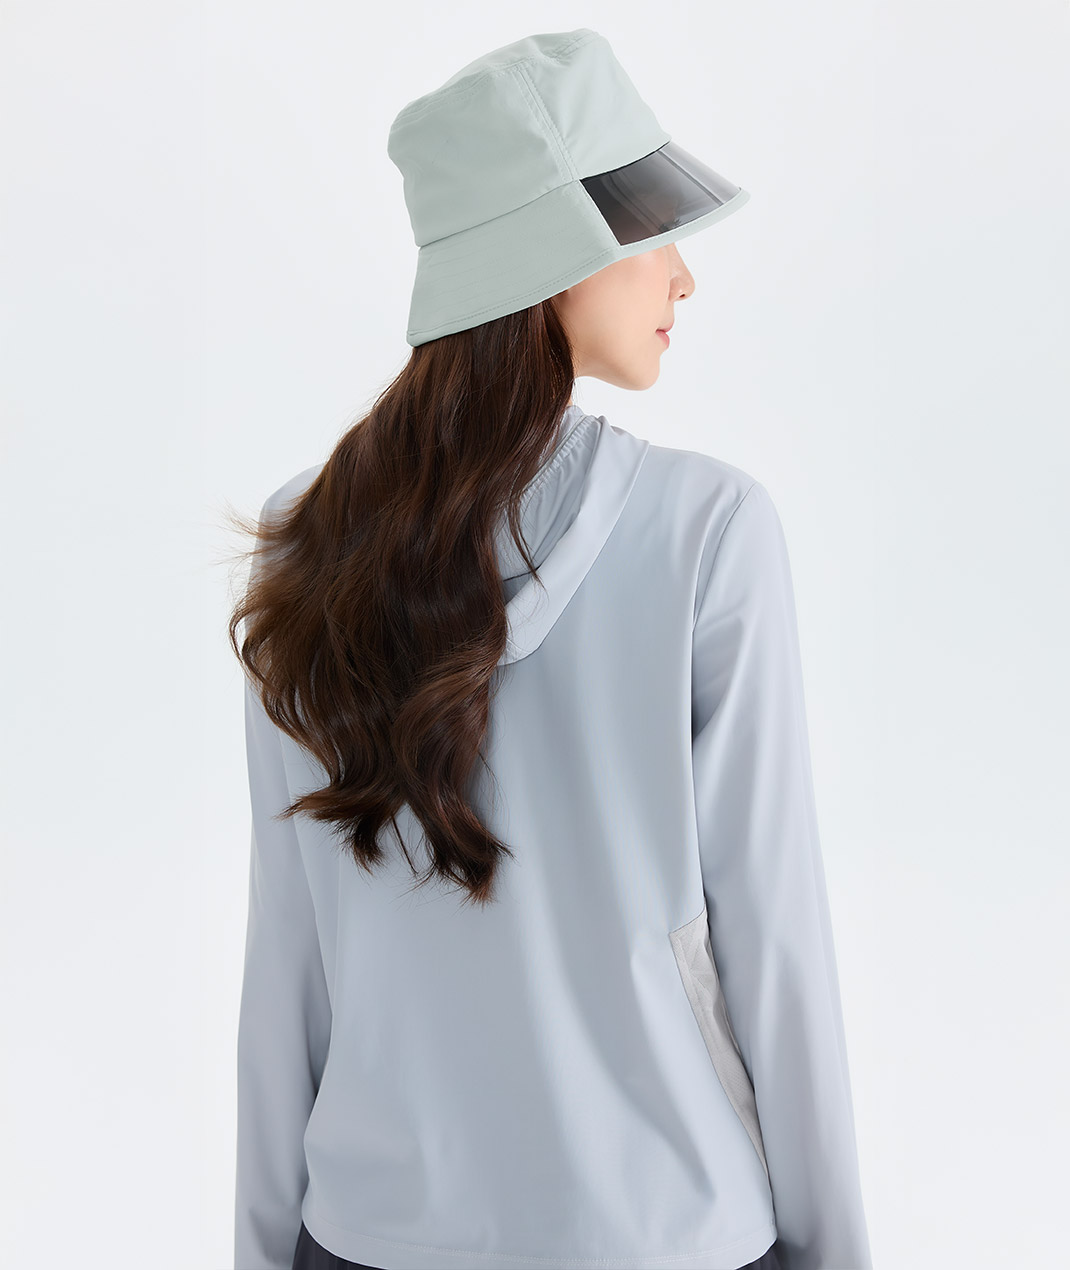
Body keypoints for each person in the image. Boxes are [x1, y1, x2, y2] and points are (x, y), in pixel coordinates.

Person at [230, 28, 873, 1270]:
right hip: (665, 1235)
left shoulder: (303, 541)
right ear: (550, 261)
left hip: (368, 1235)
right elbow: (775, 948)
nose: (681, 274)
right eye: (646, 230)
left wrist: (261, 1249)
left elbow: (287, 967)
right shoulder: (709, 533)